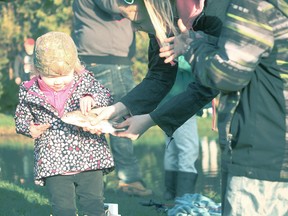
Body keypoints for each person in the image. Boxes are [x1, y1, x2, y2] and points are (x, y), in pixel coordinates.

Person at [90, 0, 288, 215]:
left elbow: (217, 80)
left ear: (154, 9)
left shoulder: (232, 10)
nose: (134, 28)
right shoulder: (166, 23)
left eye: (135, 20)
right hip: (248, 145)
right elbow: (159, 76)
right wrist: (116, 109)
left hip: (262, 142)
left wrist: (191, 44)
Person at [14, 31, 114, 216]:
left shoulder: (85, 82)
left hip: (89, 158)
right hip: (54, 162)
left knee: (93, 206)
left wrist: (90, 97)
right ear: (38, 70)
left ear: (74, 66)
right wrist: (29, 128)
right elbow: (20, 118)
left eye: (64, 76)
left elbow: (106, 96)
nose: (59, 82)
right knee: (63, 209)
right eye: (51, 77)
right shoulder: (29, 92)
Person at [72, 0, 152, 197]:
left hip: (93, 61)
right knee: (121, 122)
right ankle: (129, 180)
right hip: (109, 63)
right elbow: (117, 6)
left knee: (91, 125)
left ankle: (91, 182)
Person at [160, 56, 200, 200]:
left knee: (172, 149)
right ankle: (185, 196)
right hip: (182, 103)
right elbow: (187, 64)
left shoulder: (164, 40)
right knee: (188, 149)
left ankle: (170, 193)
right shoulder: (181, 44)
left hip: (165, 102)